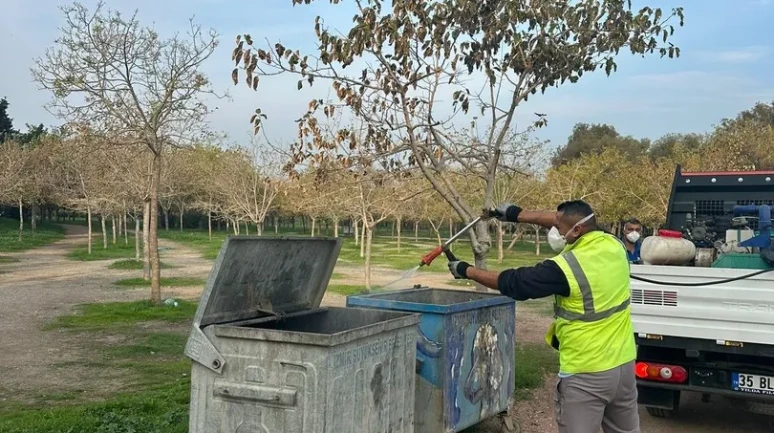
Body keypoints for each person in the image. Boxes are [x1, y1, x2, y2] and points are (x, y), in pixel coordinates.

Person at [448, 200, 638, 433]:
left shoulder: (565, 269)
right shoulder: (613, 244)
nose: (555, 229)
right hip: (624, 366)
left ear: (577, 230)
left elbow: (514, 282)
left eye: (560, 226)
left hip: (587, 372)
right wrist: (514, 214)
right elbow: (562, 218)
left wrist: (465, 270)